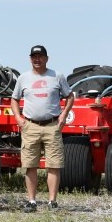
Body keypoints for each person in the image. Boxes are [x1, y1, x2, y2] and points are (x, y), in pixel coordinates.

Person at [10, 44, 75, 212]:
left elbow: (69, 96)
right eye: (34, 57)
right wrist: (18, 118)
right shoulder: (23, 78)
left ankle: (52, 202)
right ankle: (32, 201)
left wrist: (63, 115)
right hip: (30, 126)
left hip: (52, 126)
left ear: (47, 58)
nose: (37, 59)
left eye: (40, 56)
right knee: (30, 165)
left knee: (54, 165)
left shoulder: (57, 76)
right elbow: (14, 99)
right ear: (30, 59)